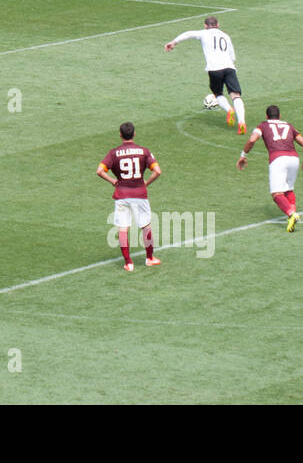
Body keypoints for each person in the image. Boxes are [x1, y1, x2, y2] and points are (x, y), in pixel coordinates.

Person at [96, 121, 162, 273]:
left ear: (120, 135)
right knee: (145, 226)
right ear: (134, 134)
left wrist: (113, 181)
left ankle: (128, 263)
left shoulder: (114, 153)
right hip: (139, 193)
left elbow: (100, 170)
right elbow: (157, 171)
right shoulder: (144, 151)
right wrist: (146, 183)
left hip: (122, 195)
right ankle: (150, 258)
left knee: (123, 228)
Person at [238, 104, 303, 232]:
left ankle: (291, 214)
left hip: (278, 159)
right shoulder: (289, 126)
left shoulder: (263, 125)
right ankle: (291, 217)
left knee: (276, 193)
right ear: (280, 116)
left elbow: (251, 140)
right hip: (294, 159)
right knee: (289, 189)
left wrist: (243, 155)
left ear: (267, 116)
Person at [165, 15, 246, 134]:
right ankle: (242, 122)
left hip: (214, 68)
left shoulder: (203, 33)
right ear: (218, 25)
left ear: (205, 26)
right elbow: (232, 57)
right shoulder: (226, 36)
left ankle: (229, 109)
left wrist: (174, 42)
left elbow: (188, 34)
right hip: (229, 67)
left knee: (218, 93)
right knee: (235, 95)